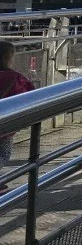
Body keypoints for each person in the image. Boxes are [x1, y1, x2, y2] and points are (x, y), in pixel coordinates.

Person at [0, 42, 35, 193]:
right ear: (8, 59)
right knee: (3, 154)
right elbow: (30, 94)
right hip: (5, 127)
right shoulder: (15, 78)